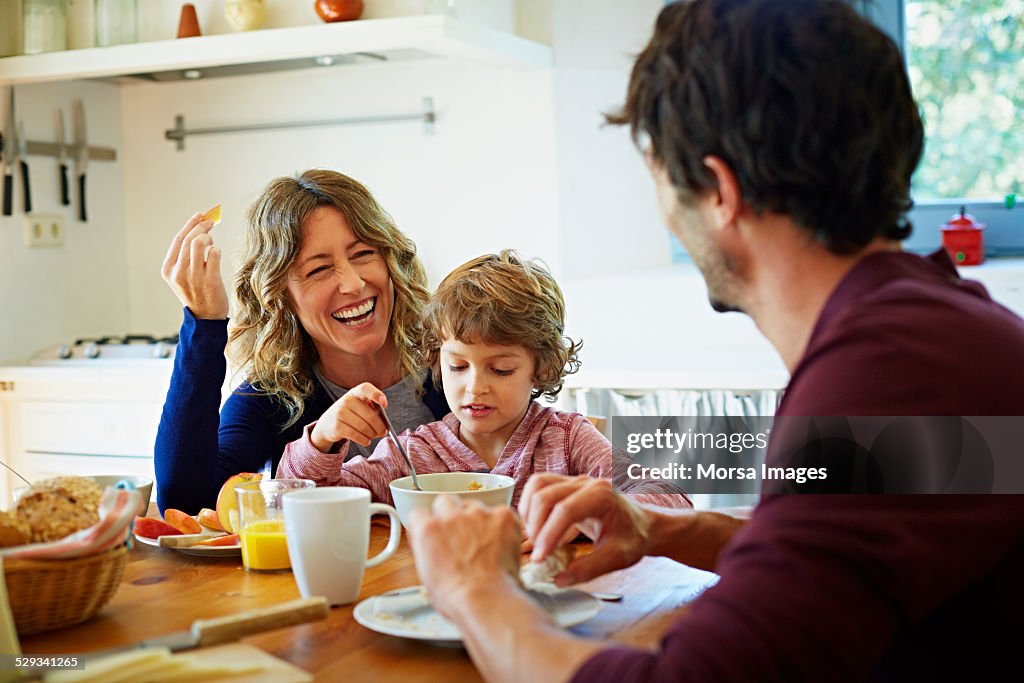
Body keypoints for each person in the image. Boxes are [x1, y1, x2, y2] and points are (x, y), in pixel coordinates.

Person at [405, 1, 1024, 681]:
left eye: (660, 178)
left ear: (720, 191)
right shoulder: (945, 334)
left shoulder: (890, 375)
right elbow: (842, 550)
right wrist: (665, 528)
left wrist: (474, 590)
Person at [278, 250, 689, 510]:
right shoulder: (415, 454)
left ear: (540, 368)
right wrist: (322, 440)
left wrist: (598, 513)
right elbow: (299, 502)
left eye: (501, 369)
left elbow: (668, 499)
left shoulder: (566, 441)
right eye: (458, 367)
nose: (475, 387)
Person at [155, 169, 449, 513]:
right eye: (319, 269)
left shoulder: (457, 367)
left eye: (363, 254)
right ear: (281, 296)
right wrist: (204, 324)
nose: (353, 283)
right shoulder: (273, 398)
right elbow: (187, 503)